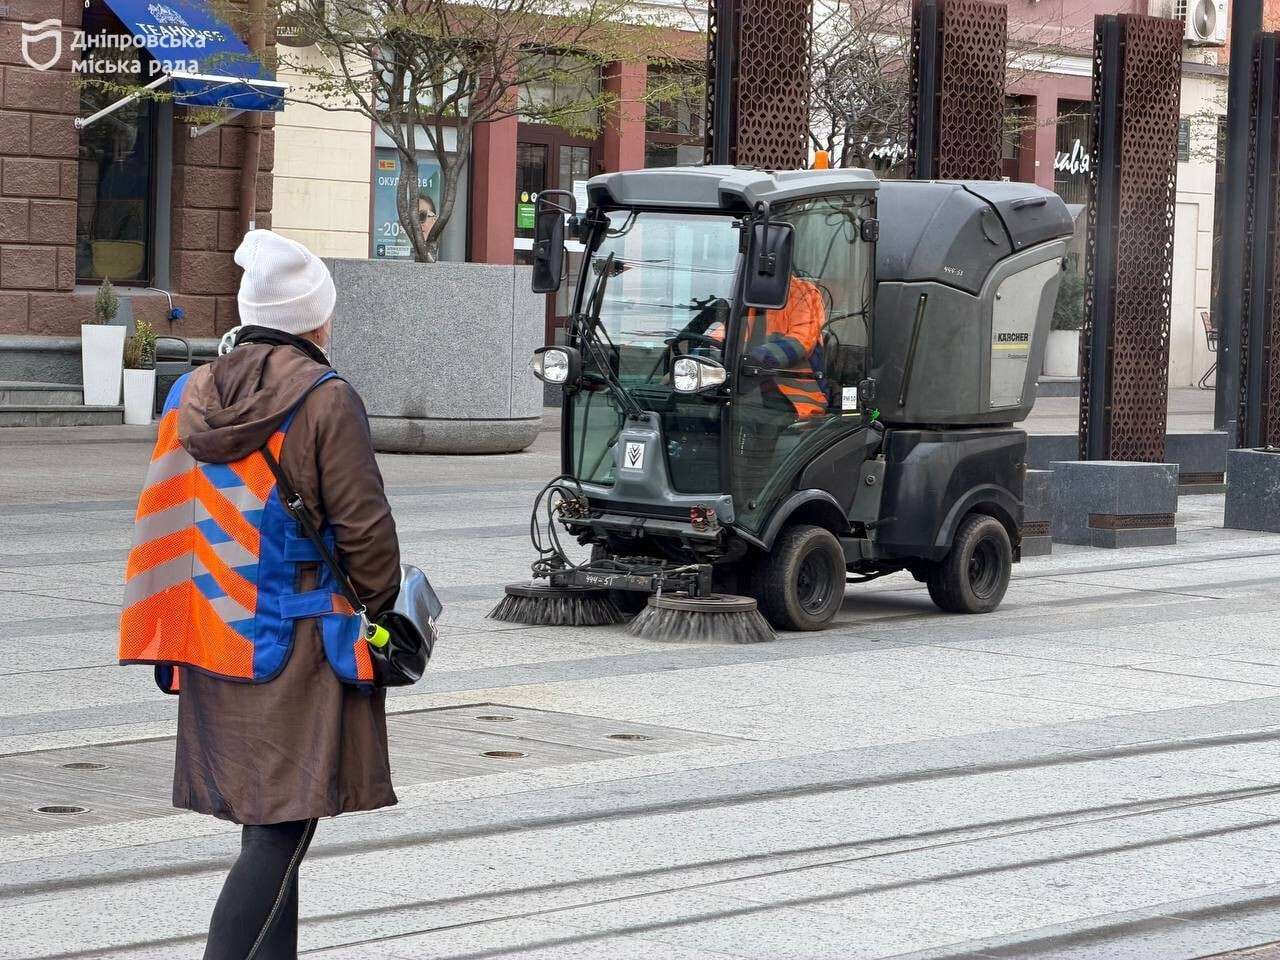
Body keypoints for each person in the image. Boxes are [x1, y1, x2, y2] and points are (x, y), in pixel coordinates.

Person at [118, 230, 402, 959]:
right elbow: (365, 530)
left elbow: (167, 519)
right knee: (284, 831)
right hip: (300, 645)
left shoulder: (189, 393)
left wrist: (170, 633)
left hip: (213, 635)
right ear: (314, 319)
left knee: (268, 824)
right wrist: (388, 609)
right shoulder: (326, 397)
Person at [417, 190, 439, 262]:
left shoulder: (444, 254)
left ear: (434, 220)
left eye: (422, 216)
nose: (416, 224)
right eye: (411, 218)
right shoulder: (400, 255)